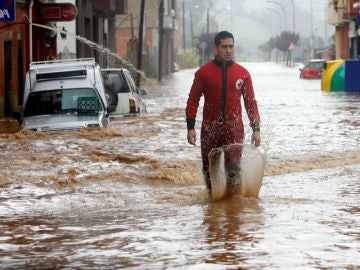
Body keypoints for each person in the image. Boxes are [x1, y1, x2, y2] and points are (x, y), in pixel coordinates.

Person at [185, 31, 261, 190]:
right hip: (210, 129)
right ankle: (214, 206)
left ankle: (233, 208)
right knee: (208, 172)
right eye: (224, 47)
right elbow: (193, 100)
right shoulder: (203, 73)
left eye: (231, 47)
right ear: (215, 48)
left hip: (234, 129)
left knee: (233, 170)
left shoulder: (243, 74)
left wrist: (256, 129)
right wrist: (190, 127)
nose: (228, 50)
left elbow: (250, 103)